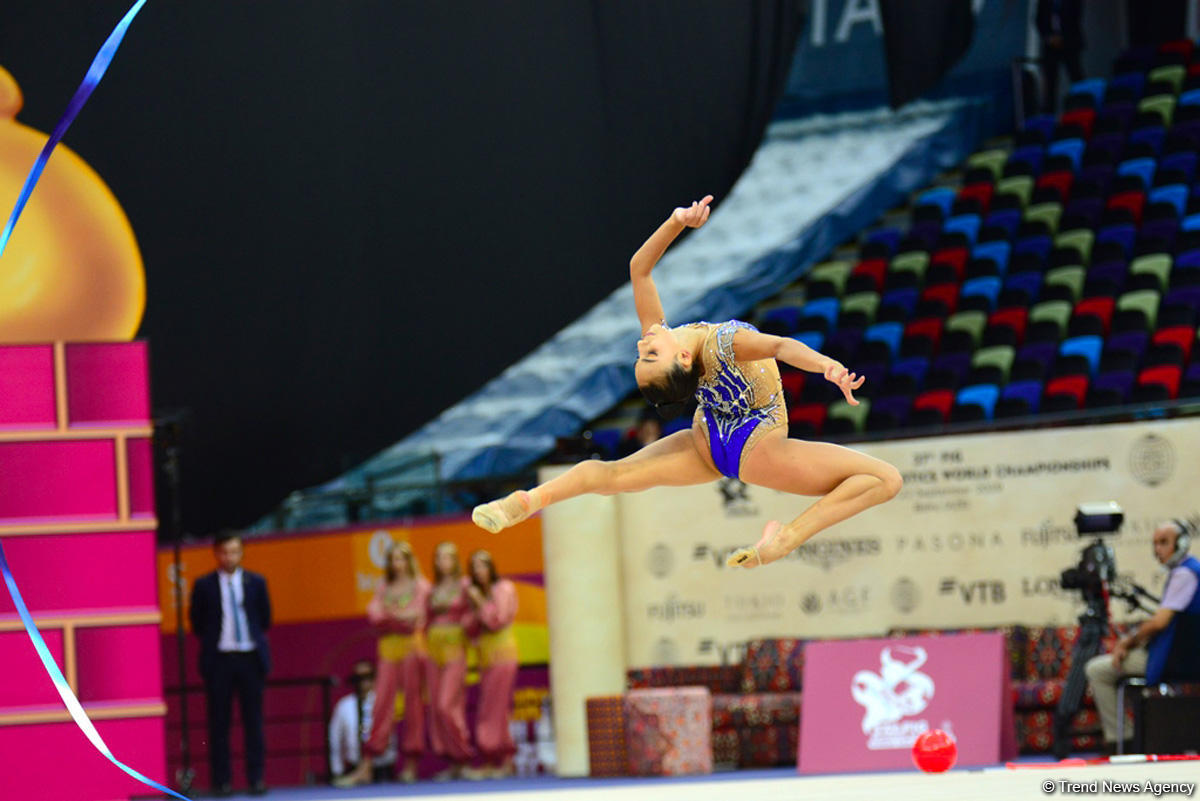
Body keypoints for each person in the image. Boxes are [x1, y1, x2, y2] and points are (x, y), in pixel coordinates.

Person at [472, 195, 902, 569]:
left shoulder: (669, 342)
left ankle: (527, 501)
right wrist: (828, 367)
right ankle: (786, 538)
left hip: (706, 441)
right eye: (649, 354)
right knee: (885, 480)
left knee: (612, 475)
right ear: (680, 357)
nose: (644, 342)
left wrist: (677, 222)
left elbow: (640, 271)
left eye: (641, 353)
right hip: (758, 441)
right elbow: (782, 347)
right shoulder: (722, 344)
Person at [1084, 519, 1200, 754]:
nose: (1158, 549)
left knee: (1096, 669)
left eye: (1164, 542)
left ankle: (1123, 740)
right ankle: (1126, 738)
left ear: (1182, 543)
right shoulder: (1189, 570)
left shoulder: (1184, 575)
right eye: (1155, 543)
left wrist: (1127, 641)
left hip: (1175, 660)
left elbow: (1159, 622)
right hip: (1179, 654)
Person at [334, 542, 429, 787]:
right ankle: (366, 766)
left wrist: (391, 615)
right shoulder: (384, 586)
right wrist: (398, 617)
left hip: (411, 648)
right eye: (393, 559)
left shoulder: (420, 585)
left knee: (413, 705)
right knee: (380, 704)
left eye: (401, 558)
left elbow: (417, 617)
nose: (397, 564)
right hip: (388, 649)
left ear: (409, 561)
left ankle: (411, 765)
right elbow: (374, 616)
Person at [189, 532, 272, 797]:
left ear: (242, 552)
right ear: (216, 553)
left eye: (235, 551)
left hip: (249, 658)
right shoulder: (204, 585)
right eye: (225, 552)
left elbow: (265, 619)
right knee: (219, 724)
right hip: (220, 661)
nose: (230, 557)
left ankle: (256, 779)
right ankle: (222, 782)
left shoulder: (256, 582)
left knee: (253, 723)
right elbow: (198, 623)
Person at [463, 550, 520, 779]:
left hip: (502, 654)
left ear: (491, 567)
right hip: (485, 655)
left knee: (494, 708)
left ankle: (496, 758)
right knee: (491, 706)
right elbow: (469, 628)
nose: (479, 571)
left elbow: (497, 621)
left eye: (483, 565)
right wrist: (475, 604)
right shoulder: (477, 593)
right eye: (474, 567)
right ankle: (500, 760)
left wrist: (480, 603)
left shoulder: (502, 589)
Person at [425, 541, 473, 780]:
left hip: (455, 648)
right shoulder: (432, 588)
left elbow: (472, 615)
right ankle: (454, 762)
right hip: (434, 649)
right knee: (437, 706)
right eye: (438, 557)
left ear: (455, 560)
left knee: (448, 705)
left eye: (447, 557)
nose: (442, 562)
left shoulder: (465, 585)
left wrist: (464, 626)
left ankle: (463, 756)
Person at [328, 661, 397, 783]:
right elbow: (335, 738)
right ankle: (363, 769)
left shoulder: (384, 702)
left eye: (368, 677)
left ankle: (367, 766)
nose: (364, 682)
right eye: (360, 678)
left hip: (383, 768)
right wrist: (337, 769)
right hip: (354, 767)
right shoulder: (345, 705)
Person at [1036, 0, 1084, 113]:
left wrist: (1063, 39)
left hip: (1070, 44)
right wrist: (1049, 38)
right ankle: (1049, 115)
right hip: (1050, 46)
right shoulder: (1044, 2)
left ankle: (1084, 106)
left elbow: (1075, 19)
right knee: (1050, 82)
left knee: (1076, 76)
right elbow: (1038, 20)